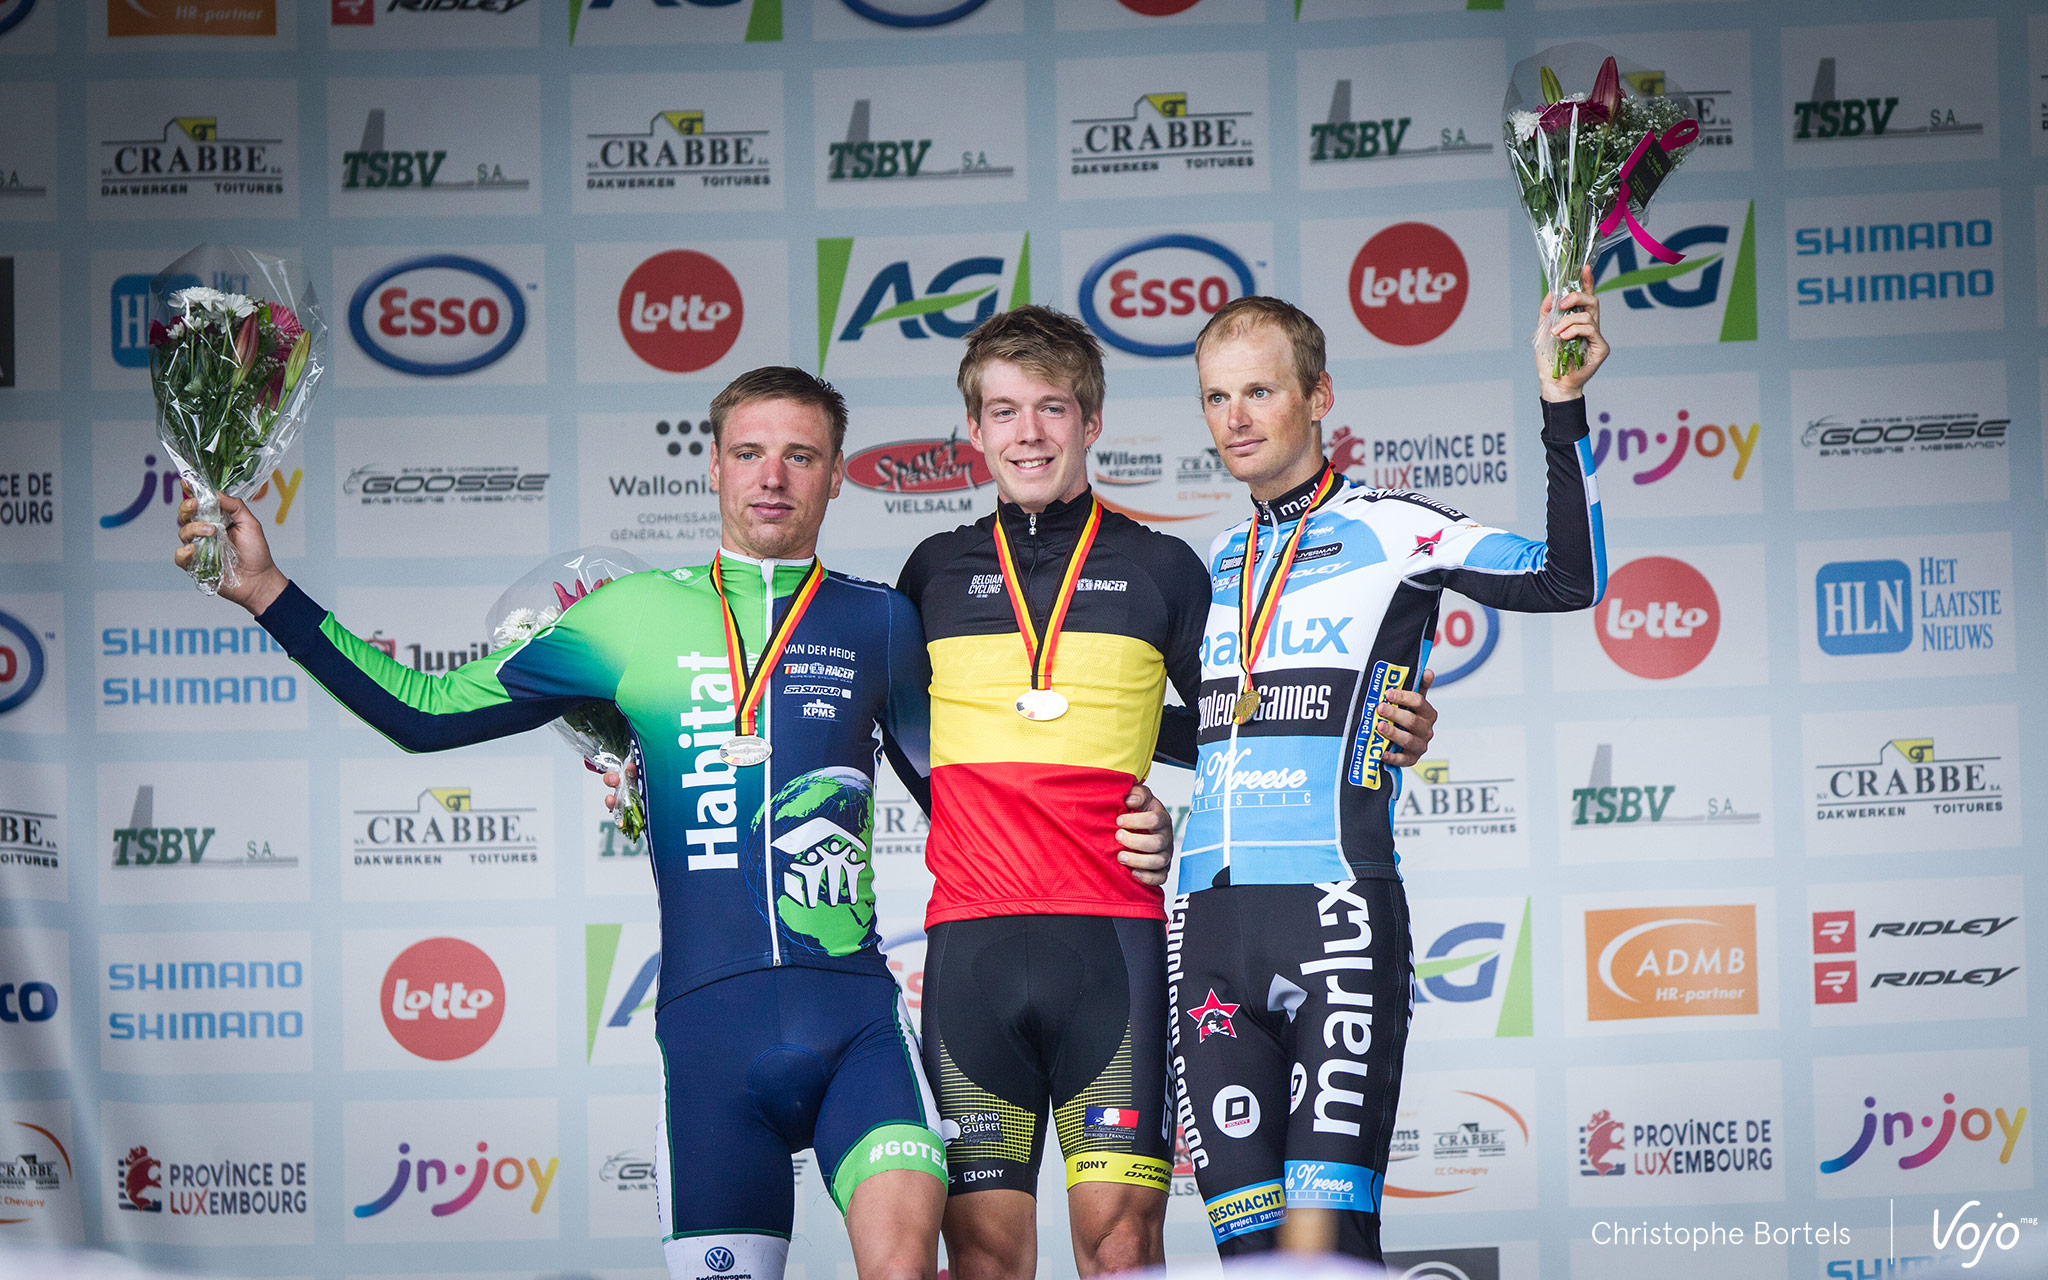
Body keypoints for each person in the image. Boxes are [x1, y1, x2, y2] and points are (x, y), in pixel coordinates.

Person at [178, 368, 955, 1280]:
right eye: (749, 453)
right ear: (713, 467)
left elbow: (961, 799)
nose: (772, 477)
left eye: (801, 456)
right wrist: (268, 591)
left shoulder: (882, 621)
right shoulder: (628, 615)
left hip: (857, 1022)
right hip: (712, 1042)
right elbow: (426, 712)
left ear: (836, 474)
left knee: (903, 1270)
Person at [890, 307, 1440, 1280]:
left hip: (1115, 945)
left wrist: (1368, 720)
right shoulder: (931, 572)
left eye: (1052, 408)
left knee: (1121, 1248)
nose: (1028, 434)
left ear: (1091, 420)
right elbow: (895, 725)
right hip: (971, 945)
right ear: (973, 429)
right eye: (1003, 411)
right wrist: (968, 812)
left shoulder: (1161, 568)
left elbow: (1234, 720)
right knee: (979, 1253)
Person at [1170, 280, 1610, 1262]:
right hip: (1205, 929)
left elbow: (1567, 577)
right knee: (1249, 1254)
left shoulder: (1392, 527)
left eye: (1259, 391)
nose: (1235, 419)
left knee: (1326, 1246)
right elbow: (1206, 729)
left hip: (1333, 914)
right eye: (1215, 397)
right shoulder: (1217, 558)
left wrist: (1561, 407)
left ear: (1318, 396)